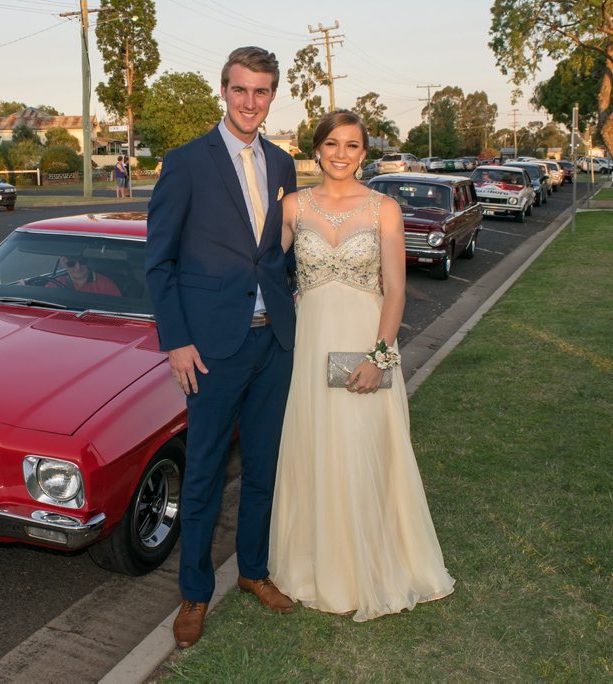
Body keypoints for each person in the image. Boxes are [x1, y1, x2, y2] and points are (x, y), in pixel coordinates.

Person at [269, 110, 455, 622]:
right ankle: (316, 566)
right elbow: (262, 270)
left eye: (352, 146)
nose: (341, 154)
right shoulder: (292, 208)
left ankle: (371, 566)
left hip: (365, 340)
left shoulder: (383, 209)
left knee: (364, 448)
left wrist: (378, 357)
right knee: (316, 446)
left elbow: (396, 290)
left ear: (364, 153)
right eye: (332, 144)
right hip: (309, 346)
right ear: (317, 149)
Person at [145, 46, 299, 649]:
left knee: (263, 468)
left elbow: (278, 254)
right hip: (211, 349)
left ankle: (254, 571)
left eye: (262, 92)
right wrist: (177, 341)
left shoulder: (284, 164)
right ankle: (195, 592)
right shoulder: (185, 163)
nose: (250, 102)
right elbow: (159, 263)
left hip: (273, 343)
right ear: (224, 90)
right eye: (241, 90)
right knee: (205, 473)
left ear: (271, 96)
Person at [51, 254, 121, 295]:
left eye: (82, 262)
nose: (78, 268)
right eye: (71, 263)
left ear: (88, 261)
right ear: (63, 263)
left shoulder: (106, 285)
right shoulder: (54, 285)